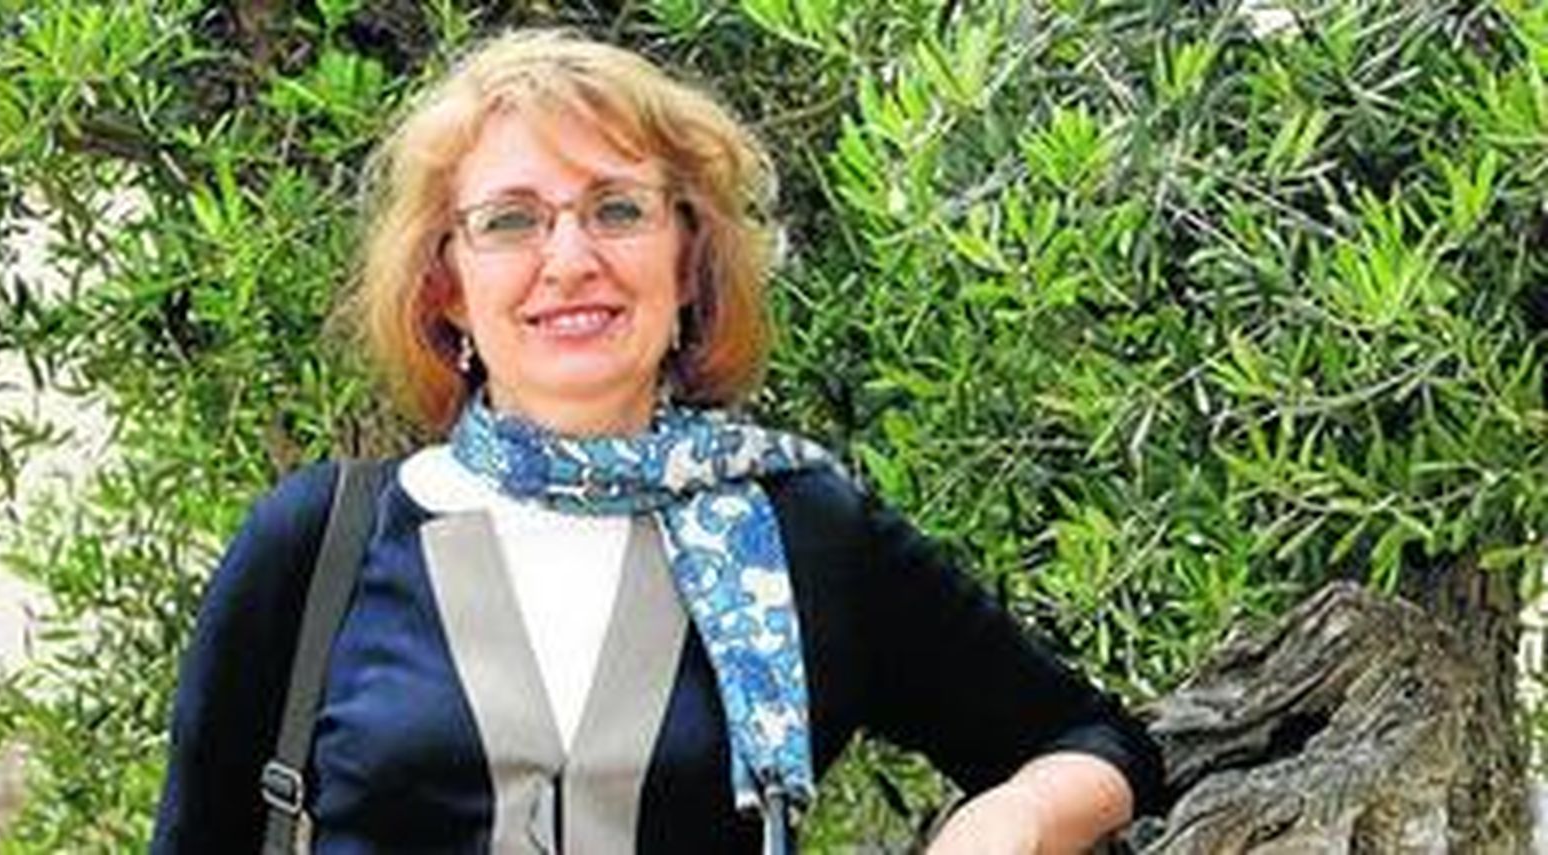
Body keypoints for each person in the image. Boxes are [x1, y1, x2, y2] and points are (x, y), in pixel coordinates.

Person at [151, 29, 1164, 853]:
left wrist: (1010, 819)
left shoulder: (801, 533)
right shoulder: (321, 543)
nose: (569, 258)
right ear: (446, 283)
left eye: (618, 209)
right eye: (510, 221)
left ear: (687, 261)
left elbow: (1094, 741)